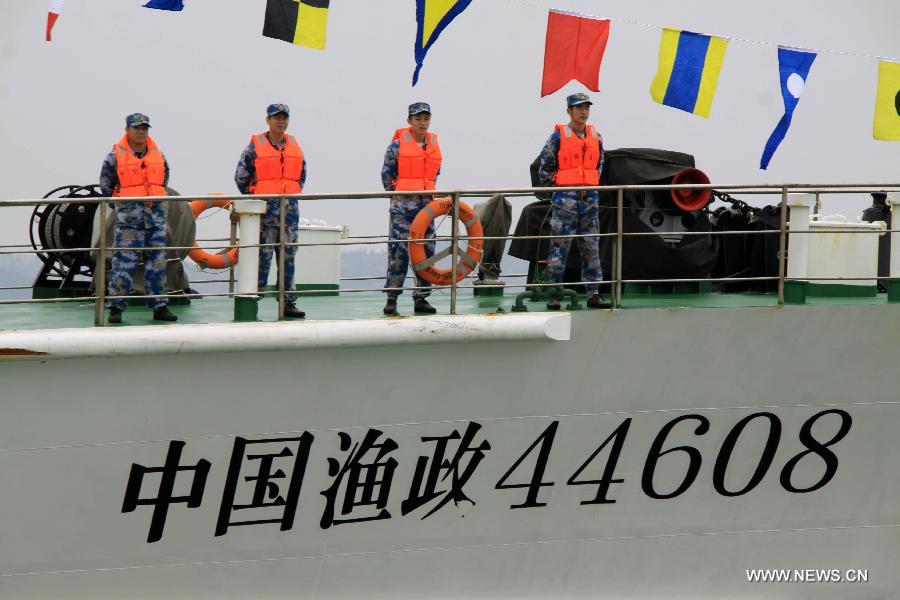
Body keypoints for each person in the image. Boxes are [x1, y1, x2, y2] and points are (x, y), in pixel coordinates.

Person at [99, 113, 177, 324]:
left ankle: (159, 306)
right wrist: (123, 207)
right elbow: (105, 186)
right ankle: (116, 307)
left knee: (157, 264)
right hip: (129, 222)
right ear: (127, 130)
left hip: (155, 220)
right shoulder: (114, 157)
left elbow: (163, 180)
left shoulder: (158, 155)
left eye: (144, 128)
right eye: (136, 128)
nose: (141, 132)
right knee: (123, 265)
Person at [536, 92, 611, 309]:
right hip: (564, 200)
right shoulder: (557, 137)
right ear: (569, 111)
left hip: (589, 199)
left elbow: (599, 165)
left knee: (591, 246)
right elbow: (545, 167)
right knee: (559, 248)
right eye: (579, 108)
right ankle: (554, 294)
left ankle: (593, 293)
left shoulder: (596, 137)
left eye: (586, 107)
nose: (584, 112)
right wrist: (558, 192)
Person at [234, 103, 307, 319]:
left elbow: (301, 176)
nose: (280, 121)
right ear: (268, 120)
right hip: (265, 215)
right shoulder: (254, 147)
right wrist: (257, 195)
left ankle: (288, 303)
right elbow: (241, 177)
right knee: (261, 260)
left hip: (289, 215)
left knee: (288, 259)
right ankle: (253, 301)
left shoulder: (294, 145)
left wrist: (288, 195)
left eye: (284, 117)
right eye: (276, 117)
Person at [381, 102, 441, 315]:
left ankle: (422, 298)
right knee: (399, 253)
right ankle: (392, 298)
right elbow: (387, 176)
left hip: (428, 208)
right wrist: (400, 196)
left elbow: (435, 173)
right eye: (418, 119)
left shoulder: (434, 144)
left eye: (426, 119)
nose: (422, 123)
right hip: (403, 209)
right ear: (409, 121)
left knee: (426, 252)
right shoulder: (396, 146)